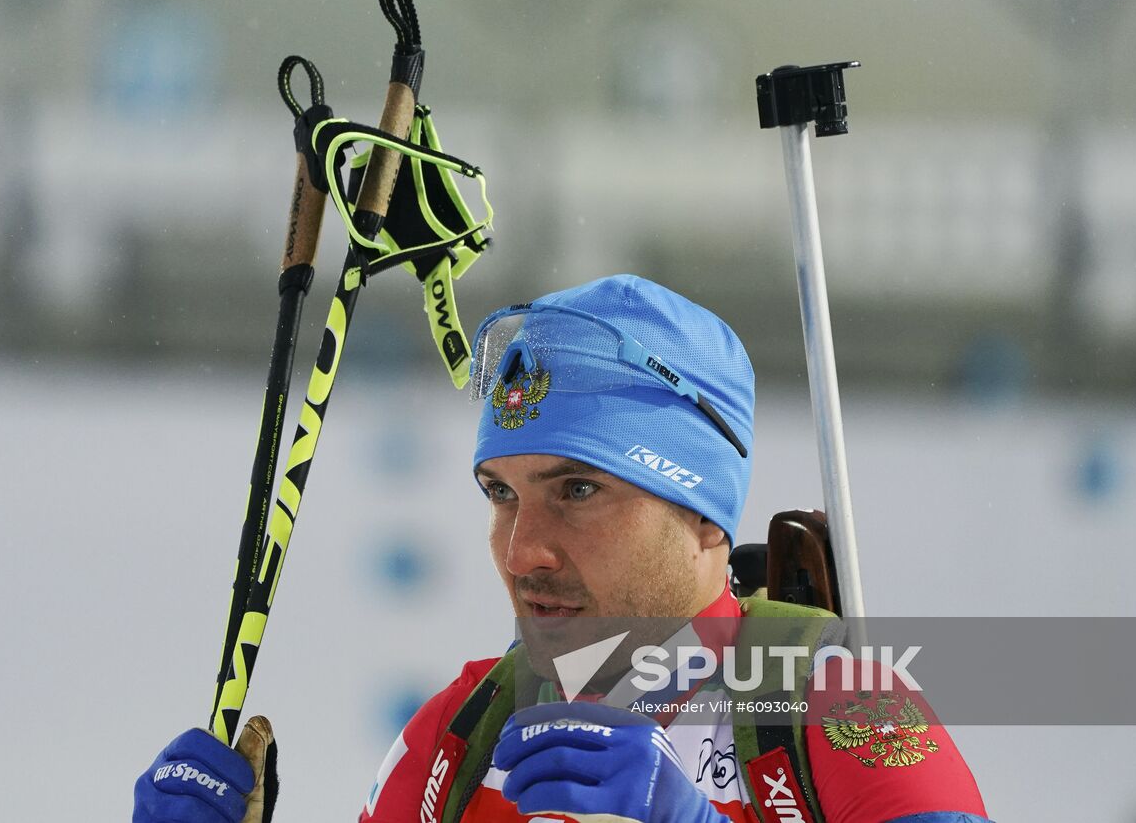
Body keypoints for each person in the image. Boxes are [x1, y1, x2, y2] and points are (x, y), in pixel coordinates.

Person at [133, 274, 992, 823]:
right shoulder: (460, 737)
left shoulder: (838, 697)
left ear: (704, 517)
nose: (522, 551)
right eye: (501, 494)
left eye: (577, 491)